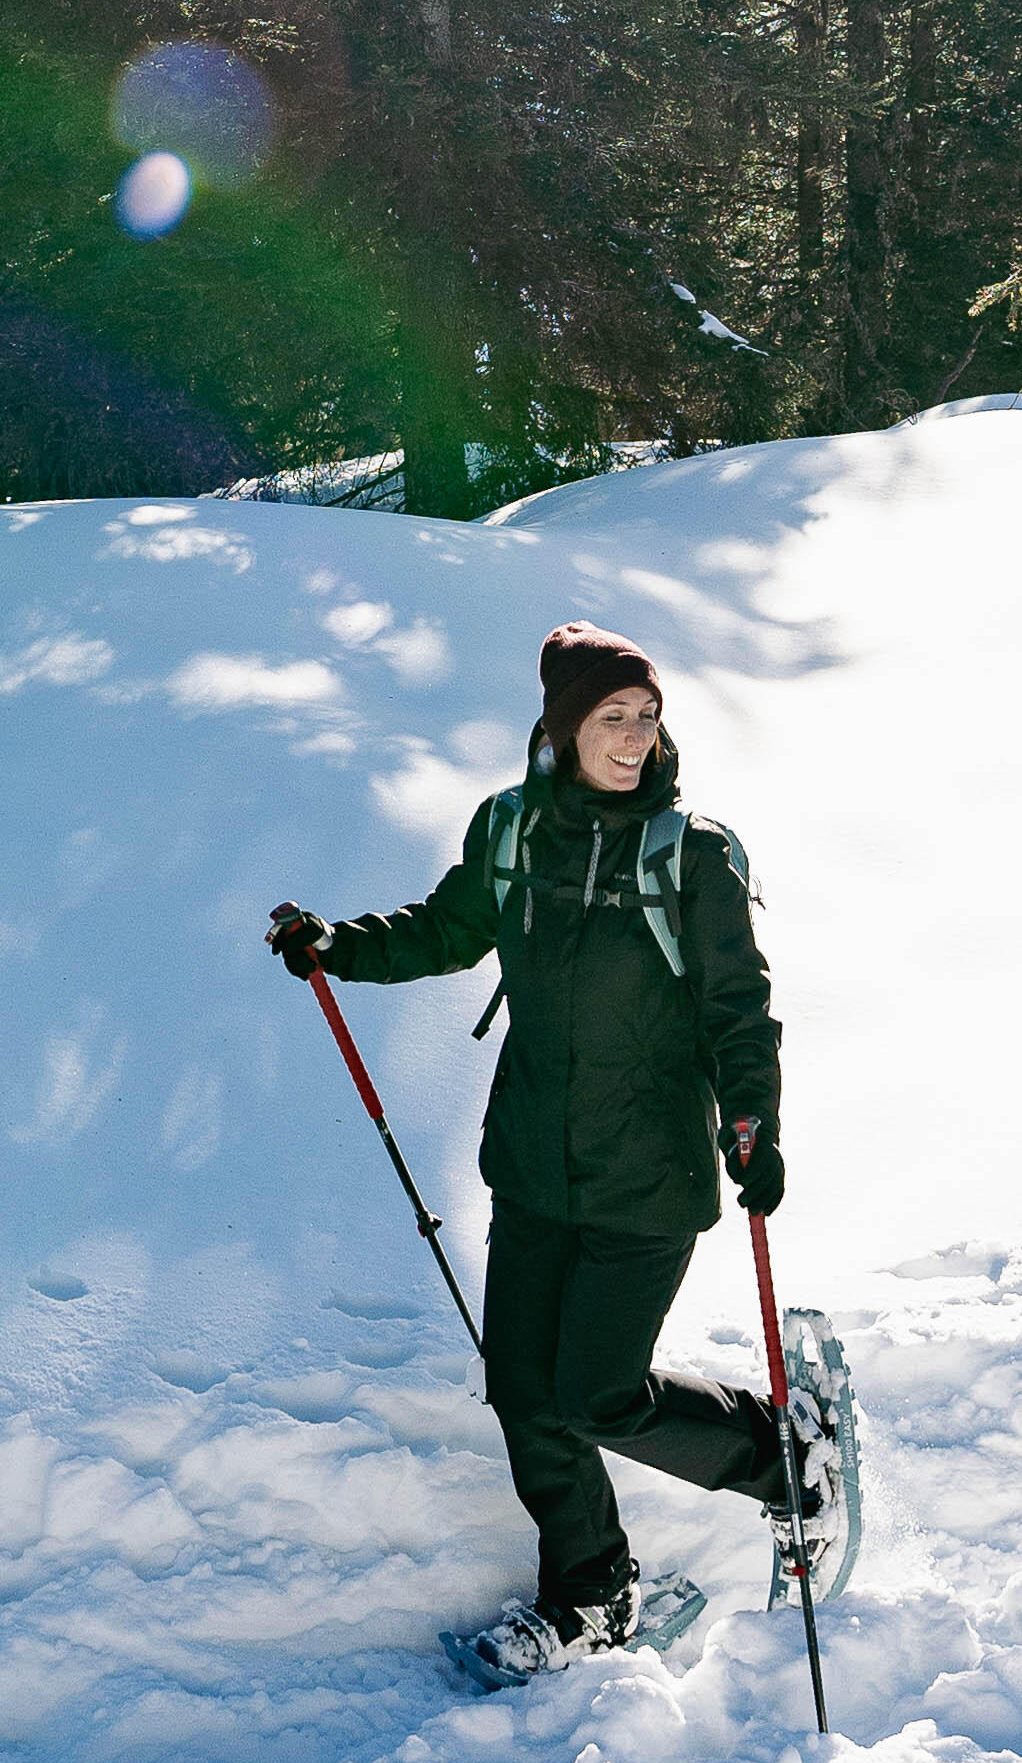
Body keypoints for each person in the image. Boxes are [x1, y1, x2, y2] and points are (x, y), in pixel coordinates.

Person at [270, 623, 825, 1653]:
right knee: (525, 1391)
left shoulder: (691, 856)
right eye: (612, 716)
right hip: (530, 1160)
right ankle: (590, 1593)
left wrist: (751, 1121)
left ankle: (785, 1456)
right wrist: (337, 946)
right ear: (562, 726)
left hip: (648, 1170)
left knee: (598, 1392)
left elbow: (736, 1010)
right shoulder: (513, 829)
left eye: (647, 715)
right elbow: (442, 928)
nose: (634, 736)